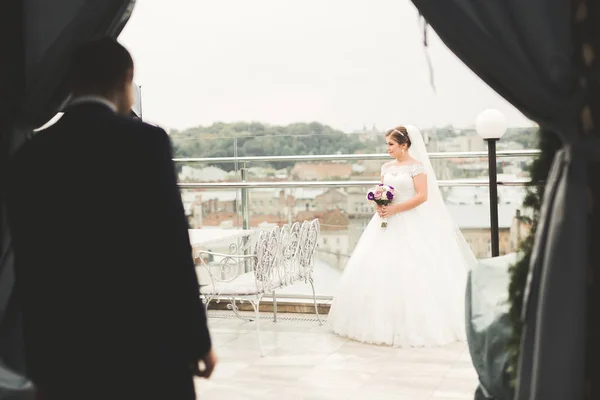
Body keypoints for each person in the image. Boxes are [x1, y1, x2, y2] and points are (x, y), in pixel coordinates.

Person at [6, 37, 215, 399]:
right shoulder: (146, 142)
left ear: (71, 84)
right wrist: (197, 340)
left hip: (63, 355)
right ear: (126, 80)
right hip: (146, 347)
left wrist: (38, 363)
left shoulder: (30, 155)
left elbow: (30, 267)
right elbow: (172, 250)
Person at [328, 125, 477, 347]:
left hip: (409, 219)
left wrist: (396, 209)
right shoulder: (386, 166)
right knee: (379, 267)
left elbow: (422, 196)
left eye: (391, 144)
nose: (387, 148)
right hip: (384, 220)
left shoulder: (417, 168)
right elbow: (382, 189)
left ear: (404, 145)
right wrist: (379, 203)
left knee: (413, 268)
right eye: (387, 144)